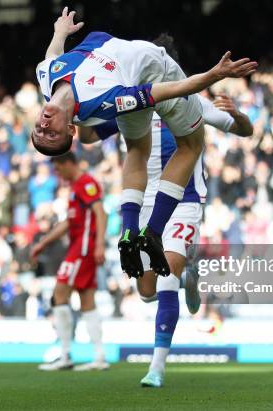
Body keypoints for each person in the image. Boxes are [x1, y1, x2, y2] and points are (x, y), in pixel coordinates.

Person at [32, 8, 256, 280]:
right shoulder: (107, 101)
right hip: (155, 73)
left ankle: (130, 231)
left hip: (176, 192)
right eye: (51, 135)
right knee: (191, 146)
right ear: (70, 128)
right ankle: (152, 232)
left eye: (39, 132)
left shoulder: (45, 76)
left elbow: (52, 56)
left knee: (137, 149)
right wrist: (213, 75)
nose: (43, 128)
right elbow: (162, 91)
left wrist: (59, 32)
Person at [79, 92, 253, 387]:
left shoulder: (191, 100)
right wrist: (78, 112)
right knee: (147, 291)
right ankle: (188, 277)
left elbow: (245, 131)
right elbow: (89, 135)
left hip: (183, 201)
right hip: (142, 203)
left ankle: (157, 367)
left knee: (166, 278)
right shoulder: (129, 102)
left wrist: (238, 116)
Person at [31, 152, 108, 371]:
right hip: (82, 248)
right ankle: (99, 356)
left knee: (59, 294)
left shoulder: (86, 183)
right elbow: (69, 222)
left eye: (58, 168)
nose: (58, 173)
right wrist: (43, 243)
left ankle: (65, 354)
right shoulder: (76, 187)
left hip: (83, 249)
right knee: (87, 301)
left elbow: (101, 213)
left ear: (68, 163)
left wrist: (100, 244)